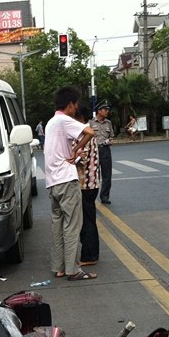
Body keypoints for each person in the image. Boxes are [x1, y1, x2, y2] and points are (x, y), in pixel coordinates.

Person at [43, 86, 97, 282]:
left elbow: (56, 153)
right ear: (70, 104)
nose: (77, 108)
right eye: (76, 104)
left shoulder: (50, 123)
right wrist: (76, 152)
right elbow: (90, 132)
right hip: (66, 180)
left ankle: (59, 268)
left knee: (57, 225)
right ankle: (73, 270)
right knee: (72, 225)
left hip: (52, 182)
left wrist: (72, 155)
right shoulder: (64, 120)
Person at [75, 104, 101, 267]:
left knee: (87, 221)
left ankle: (89, 255)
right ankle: (91, 253)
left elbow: (81, 159)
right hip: (92, 183)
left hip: (86, 184)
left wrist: (69, 158)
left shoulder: (84, 132)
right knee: (89, 219)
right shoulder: (88, 130)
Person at [89, 100, 114, 205]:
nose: (107, 111)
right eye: (105, 109)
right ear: (99, 111)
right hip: (94, 150)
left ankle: (104, 196)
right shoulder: (91, 122)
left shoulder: (108, 123)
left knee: (107, 175)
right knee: (93, 175)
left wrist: (110, 141)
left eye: (107, 109)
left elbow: (111, 136)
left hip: (105, 150)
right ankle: (92, 196)